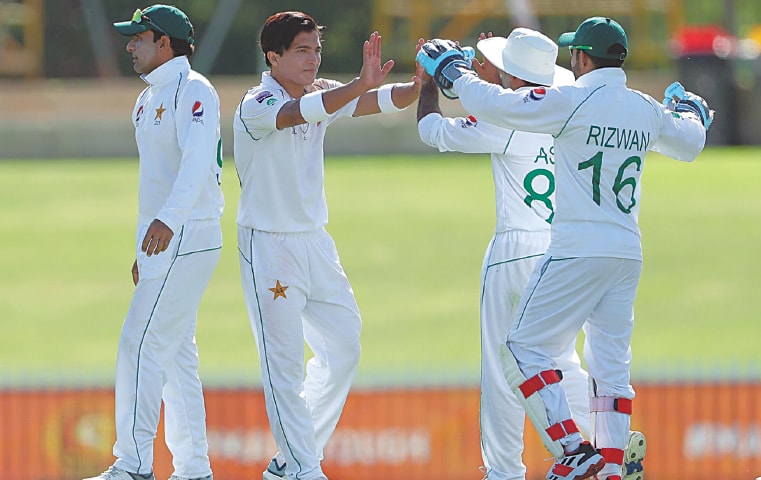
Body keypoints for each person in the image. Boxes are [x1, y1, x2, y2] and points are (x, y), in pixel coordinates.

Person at [418, 16, 710, 480]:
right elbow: (692, 142)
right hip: (627, 252)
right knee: (609, 370)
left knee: (520, 348)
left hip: (576, 246)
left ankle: (573, 452)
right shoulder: (644, 108)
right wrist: (692, 110)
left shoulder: (569, 100)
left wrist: (451, 70)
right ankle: (610, 468)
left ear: (581, 58)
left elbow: (494, 103)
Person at [232, 11, 420, 480]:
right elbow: (298, 114)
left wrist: (417, 88)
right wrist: (357, 86)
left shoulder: (321, 93)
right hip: (269, 245)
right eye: (302, 50)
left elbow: (373, 101)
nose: (313, 59)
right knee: (284, 367)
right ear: (273, 56)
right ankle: (302, 467)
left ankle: (290, 460)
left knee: (343, 347)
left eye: (316, 50)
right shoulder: (255, 103)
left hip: (315, 241)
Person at [416, 28, 593, 480]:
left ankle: (504, 471)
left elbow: (432, 131)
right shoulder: (567, 109)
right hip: (564, 251)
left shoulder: (508, 120)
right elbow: (497, 95)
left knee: (502, 370)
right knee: (562, 357)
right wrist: (491, 71)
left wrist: (429, 86)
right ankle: (595, 448)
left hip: (516, 251)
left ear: (511, 76)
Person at [84, 5, 224, 480]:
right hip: (164, 243)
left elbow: (196, 161)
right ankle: (194, 468)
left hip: (191, 233)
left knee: (138, 343)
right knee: (177, 354)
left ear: (164, 42)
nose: (130, 45)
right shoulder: (145, 100)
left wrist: (167, 221)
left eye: (138, 37)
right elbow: (155, 181)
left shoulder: (195, 89)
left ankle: (133, 465)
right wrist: (143, 250)